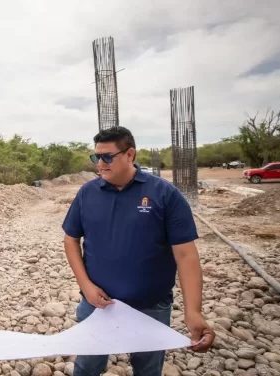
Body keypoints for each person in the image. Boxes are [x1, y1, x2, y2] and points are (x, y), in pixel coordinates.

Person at [61, 127, 215, 376]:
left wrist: (193, 312)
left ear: (130, 154)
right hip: (97, 305)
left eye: (107, 157)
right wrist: (86, 286)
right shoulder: (87, 193)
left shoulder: (165, 195)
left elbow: (186, 255)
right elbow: (70, 240)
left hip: (150, 306)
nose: (100, 163)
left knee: (147, 370)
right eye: (96, 157)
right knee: (87, 366)